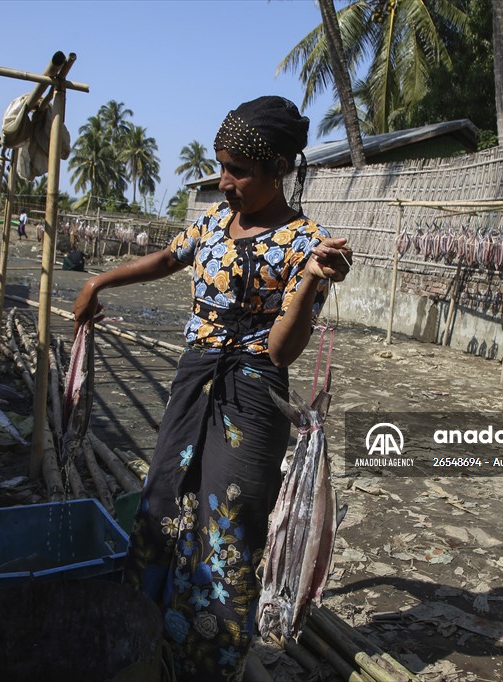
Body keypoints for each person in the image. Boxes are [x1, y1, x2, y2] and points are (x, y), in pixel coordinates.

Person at [73, 95, 352, 682]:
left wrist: (306, 284)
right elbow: (164, 260)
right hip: (193, 381)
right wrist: (99, 280)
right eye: (221, 166)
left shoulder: (308, 243)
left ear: (277, 168)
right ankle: (152, 641)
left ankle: (213, 662)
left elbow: (281, 351)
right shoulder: (211, 223)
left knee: (229, 524)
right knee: (162, 505)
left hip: (251, 397)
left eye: (239, 171)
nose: (224, 182)